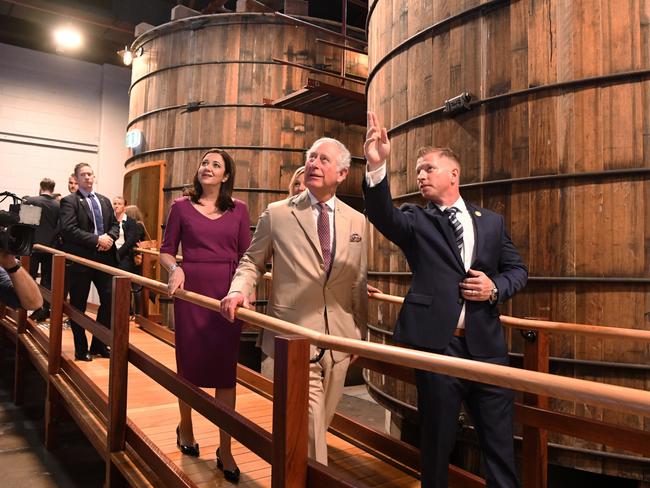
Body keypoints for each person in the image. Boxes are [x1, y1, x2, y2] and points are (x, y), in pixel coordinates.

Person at [362, 112, 527, 487]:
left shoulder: (491, 222)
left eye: (428, 169)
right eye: (418, 170)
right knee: (436, 445)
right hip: (439, 349)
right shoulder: (415, 220)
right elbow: (382, 214)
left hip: (487, 348)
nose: (420, 175)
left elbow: (519, 270)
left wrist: (495, 287)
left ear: (454, 174)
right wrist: (377, 166)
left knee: (500, 445)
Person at [221, 137, 368, 466]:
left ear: (342, 173)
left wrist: (360, 330)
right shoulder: (278, 214)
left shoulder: (357, 220)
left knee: (315, 426)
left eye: (324, 160)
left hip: (339, 338)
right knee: (312, 427)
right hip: (292, 336)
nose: (314, 163)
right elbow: (251, 262)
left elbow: (359, 279)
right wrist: (238, 289)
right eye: (311, 157)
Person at [159, 148, 251, 483]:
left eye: (216, 164)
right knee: (189, 368)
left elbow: (247, 256)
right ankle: (187, 429)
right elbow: (166, 250)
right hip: (191, 291)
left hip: (227, 296)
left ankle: (225, 448)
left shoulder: (239, 210)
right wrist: (175, 269)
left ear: (226, 176)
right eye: (204, 163)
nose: (207, 167)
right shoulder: (180, 207)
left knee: (225, 373)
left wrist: (246, 292)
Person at [60, 162, 119, 362]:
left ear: (94, 177)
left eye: (90, 174)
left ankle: (99, 344)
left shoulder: (104, 200)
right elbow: (69, 230)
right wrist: (97, 240)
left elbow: (114, 224)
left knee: (110, 301)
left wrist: (109, 238)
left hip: (106, 258)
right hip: (81, 260)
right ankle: (81, 349)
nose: (87, 177)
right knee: (78, 305)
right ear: (76, 178)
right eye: (83, 175)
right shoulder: (70, 201)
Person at [24, 178, 60, 322]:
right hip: (51, 248)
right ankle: (43, 310)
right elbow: (60, 228)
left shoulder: (32, 201)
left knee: (28, 277)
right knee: (47, 280)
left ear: (40, 187)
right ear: (52, 188)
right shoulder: (58, 205)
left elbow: (27, 224)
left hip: (33, 246)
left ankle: (27, 307)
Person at [112, 196, 141, 274]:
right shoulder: (110, 220)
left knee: (122, 281)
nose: (116, 206)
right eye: (115, 204)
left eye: (119, 204)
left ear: (124, 207)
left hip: (125, 256)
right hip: (111, 255)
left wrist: (118, 254)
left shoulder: (130, 222)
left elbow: (130, 240)